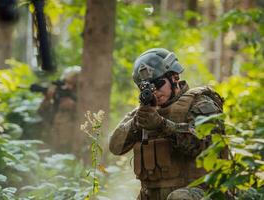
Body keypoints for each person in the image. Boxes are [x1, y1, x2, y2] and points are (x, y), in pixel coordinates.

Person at [109, 48, 224, 200]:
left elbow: (205, 145)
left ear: (174, 77)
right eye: (147, 87)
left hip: (201, 192)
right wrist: (136, 123)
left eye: (157, 83)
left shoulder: (200, 103)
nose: (154, 91)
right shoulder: (144, 112)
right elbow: (115, 147)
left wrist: (162, 125)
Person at [36, 66, 81, 152]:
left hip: (74, 143)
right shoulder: (58, 94)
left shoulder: (83, 96)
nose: (69, 87)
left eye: (74, 84)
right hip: (54, 140)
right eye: (67, 83)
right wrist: (47, 99)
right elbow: (42, 113)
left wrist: (75, 107)